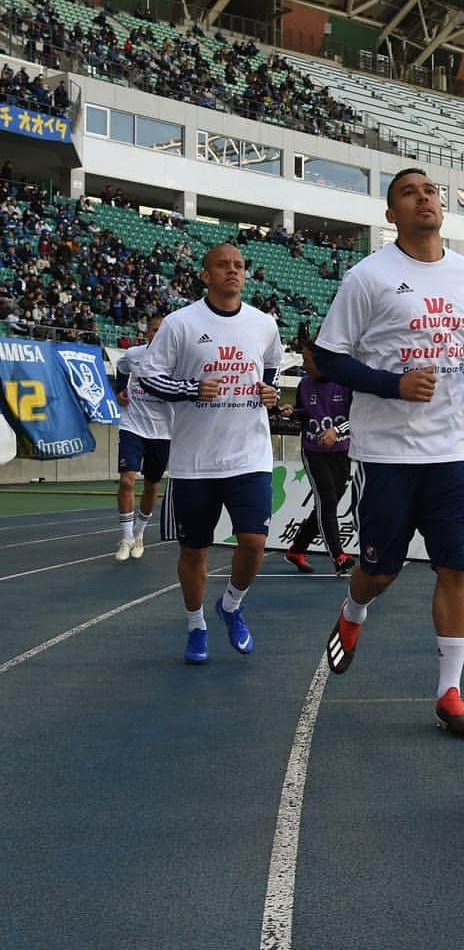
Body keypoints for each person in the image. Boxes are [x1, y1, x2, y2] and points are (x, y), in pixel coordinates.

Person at [315, 168, 464, 736]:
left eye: (429, 191)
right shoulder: (367, 277)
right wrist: (391, 385)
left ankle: (449, 690)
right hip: (388, 453)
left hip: (452, 448)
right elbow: (329, 358)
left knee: (456, 565)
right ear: (390, 214)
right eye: (408, 192)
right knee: (380, 571)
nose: (423, 197)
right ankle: (354, 611)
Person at [138, 243, 283, 665]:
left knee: (254, 542)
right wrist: (188, 389)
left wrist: (269, 390)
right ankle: (196, 624)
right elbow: (148, 378)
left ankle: (232, 606)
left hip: (249, 456)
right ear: (205, 275)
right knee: (194, 552)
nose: (232, 271)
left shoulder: (263, 323)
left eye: (238, 265)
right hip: (194, 462)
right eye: (222, 265)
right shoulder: (181, 324)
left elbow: (272, 365)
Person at [280, 339, 355, 575]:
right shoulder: (304, 385)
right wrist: (292, 412)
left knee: (326, 505)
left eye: (306, 360)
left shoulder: (346, 384)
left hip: (342, 452)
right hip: (314, 452)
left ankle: (296, 548)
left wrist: (337, 431)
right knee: (328, 502)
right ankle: (339, 556)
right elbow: (305, 415)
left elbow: (361, 418)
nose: (304, 365)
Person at [113, 315, 172, 561]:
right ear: (147, 332)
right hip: (132, 426)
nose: (158, 334)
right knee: (127, 481)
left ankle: (139, 533)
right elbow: (120, 368)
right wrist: (119, 390)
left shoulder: (176, 360)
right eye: (154, 330)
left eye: (162, 331)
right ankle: (126, 538)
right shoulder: (135, 354)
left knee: (151, 486)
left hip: (162, 432)